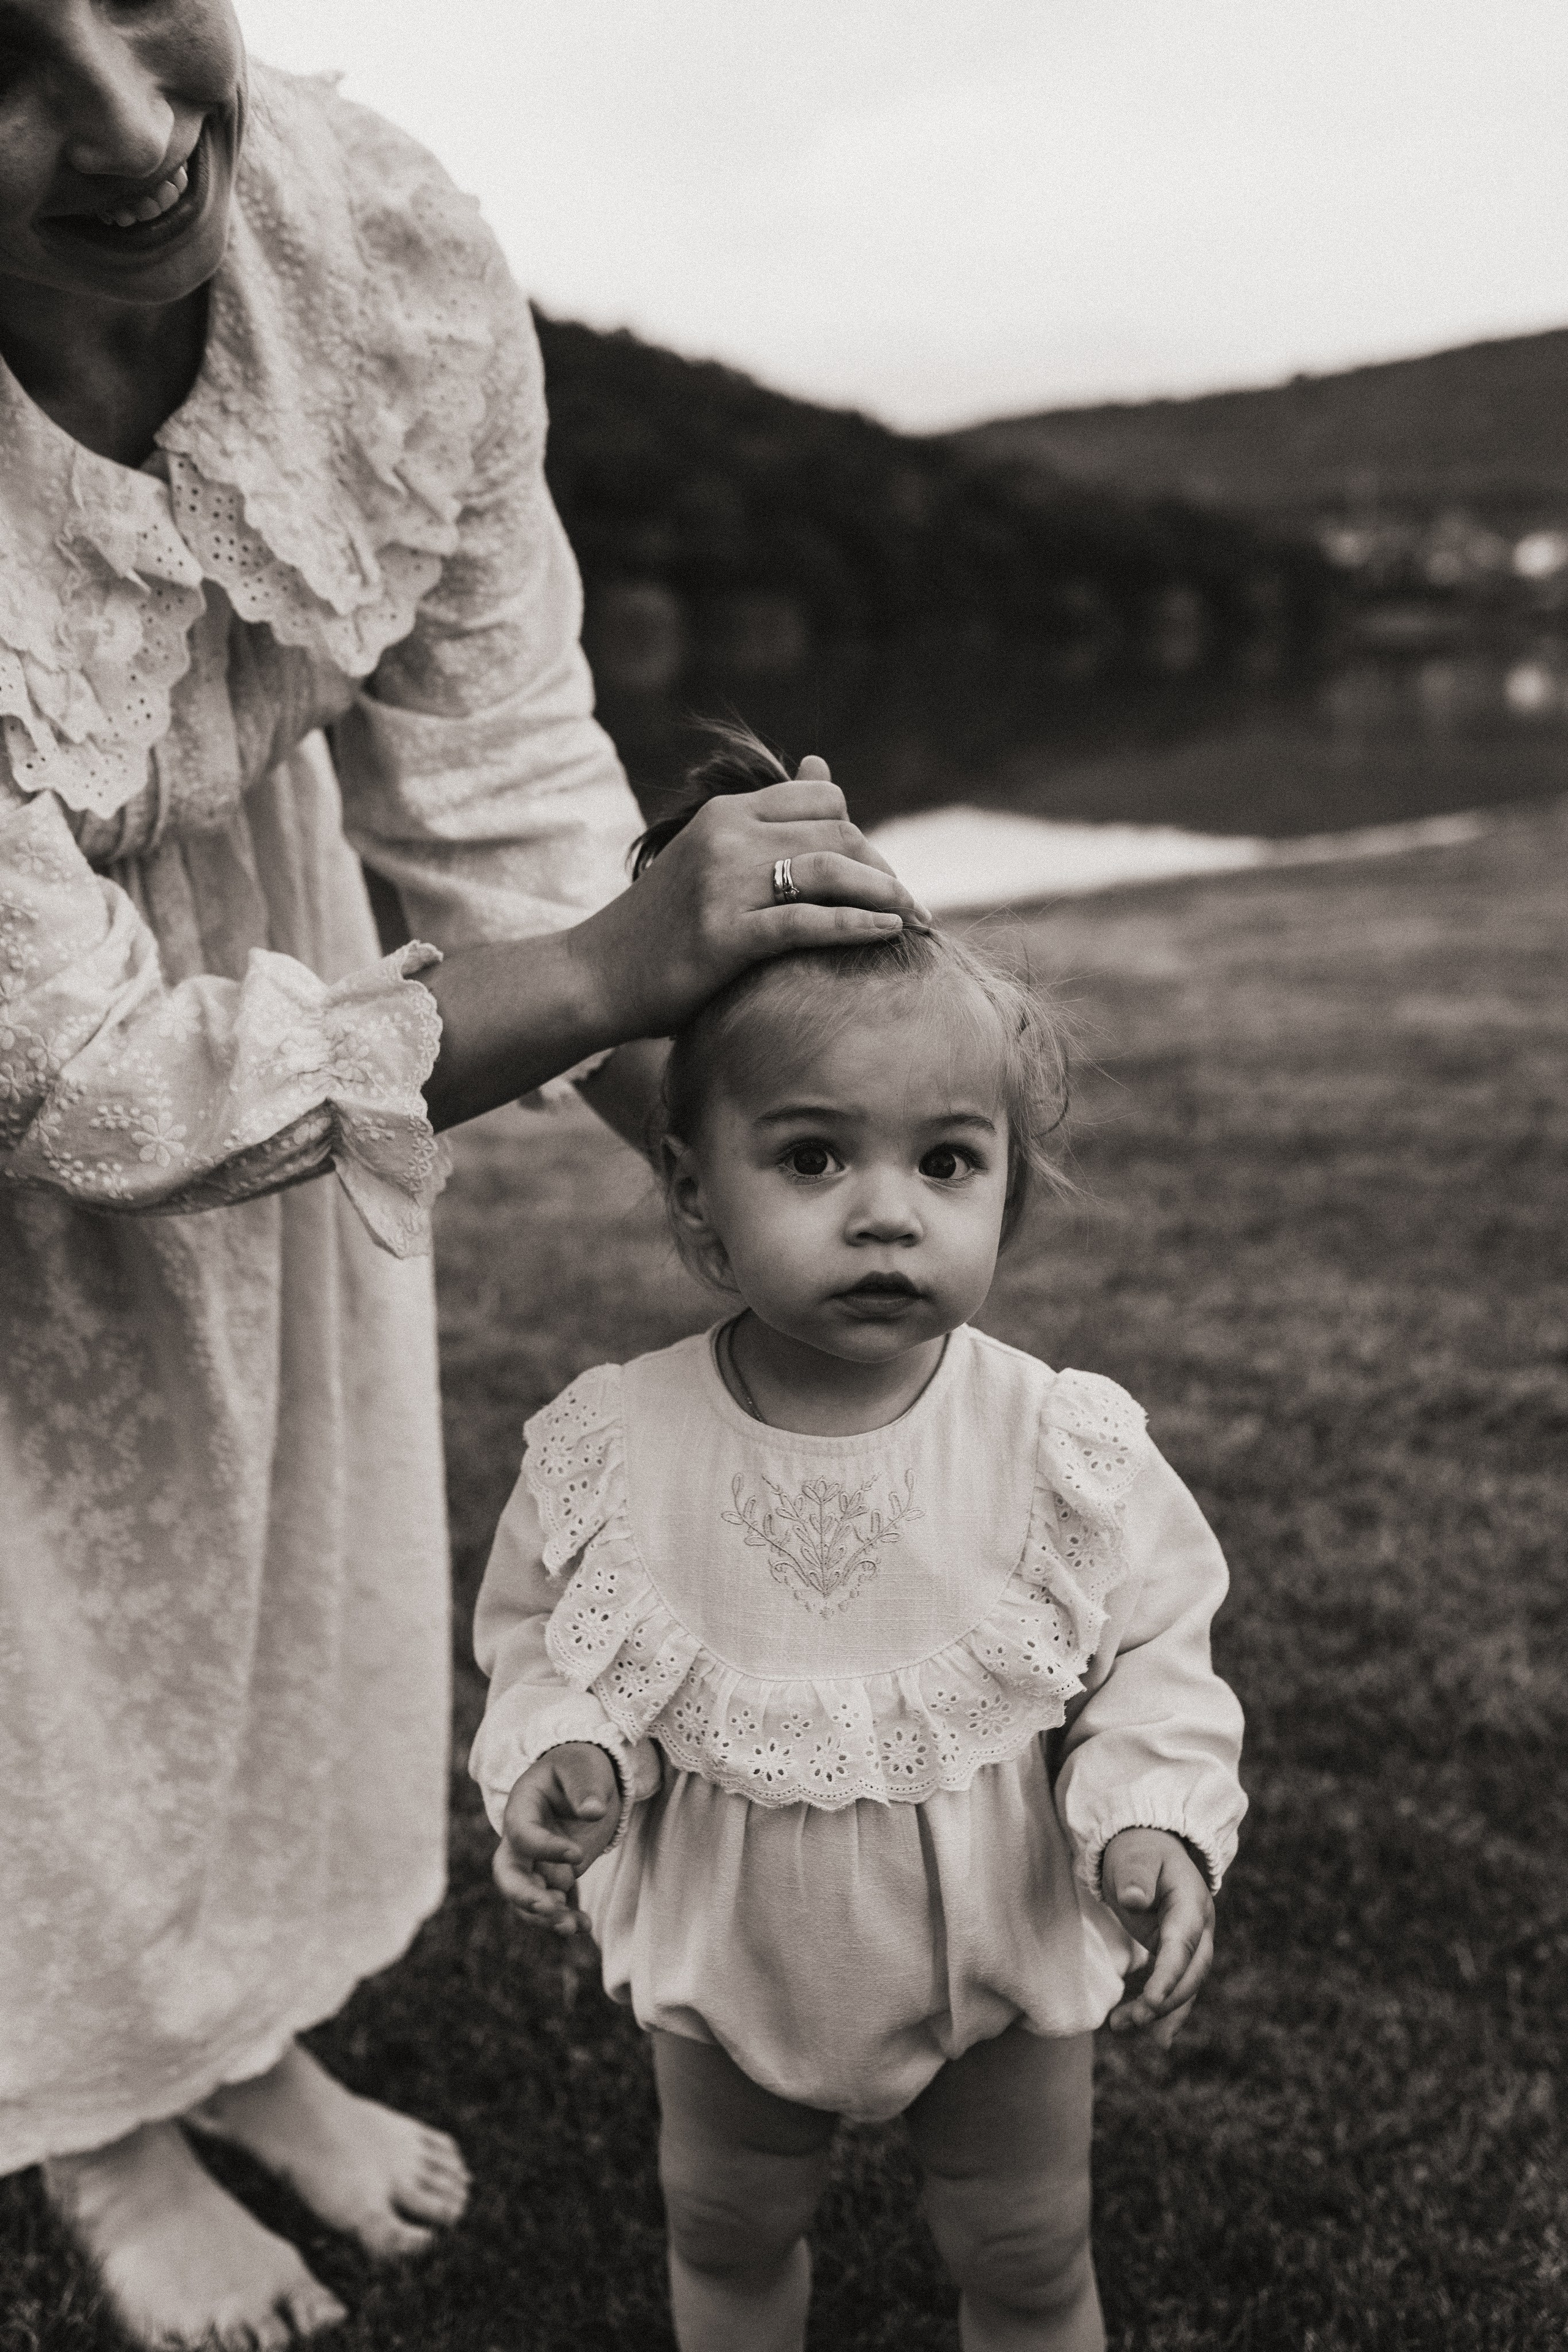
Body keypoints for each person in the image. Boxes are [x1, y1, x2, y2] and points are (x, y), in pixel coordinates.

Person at [0, 12, 927, 2348]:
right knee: (28, 1624)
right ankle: (83, 2114)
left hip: (276, 977)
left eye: (133, 5)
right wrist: (625, 956)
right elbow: (92, 1077)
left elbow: (503, 783)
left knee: (249, 1550)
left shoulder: (374, 248)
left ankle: (236, 2040)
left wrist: (771, 1176)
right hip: (53, 1040)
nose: (128, 131)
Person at [472, 735, 1249, 2352]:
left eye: (944, 1162)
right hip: (738, 1959)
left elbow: (1155, 1662)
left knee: (1025, 2250)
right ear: (697, 1199)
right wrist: (565, 1748)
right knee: (726, 2225)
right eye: (814, 1156)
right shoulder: (619, 1443)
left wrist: (1151, 1823)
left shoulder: (1060, 1447)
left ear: (1006, 1194)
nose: (887, 1211)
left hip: (1001, 1943)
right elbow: (548, 1632)